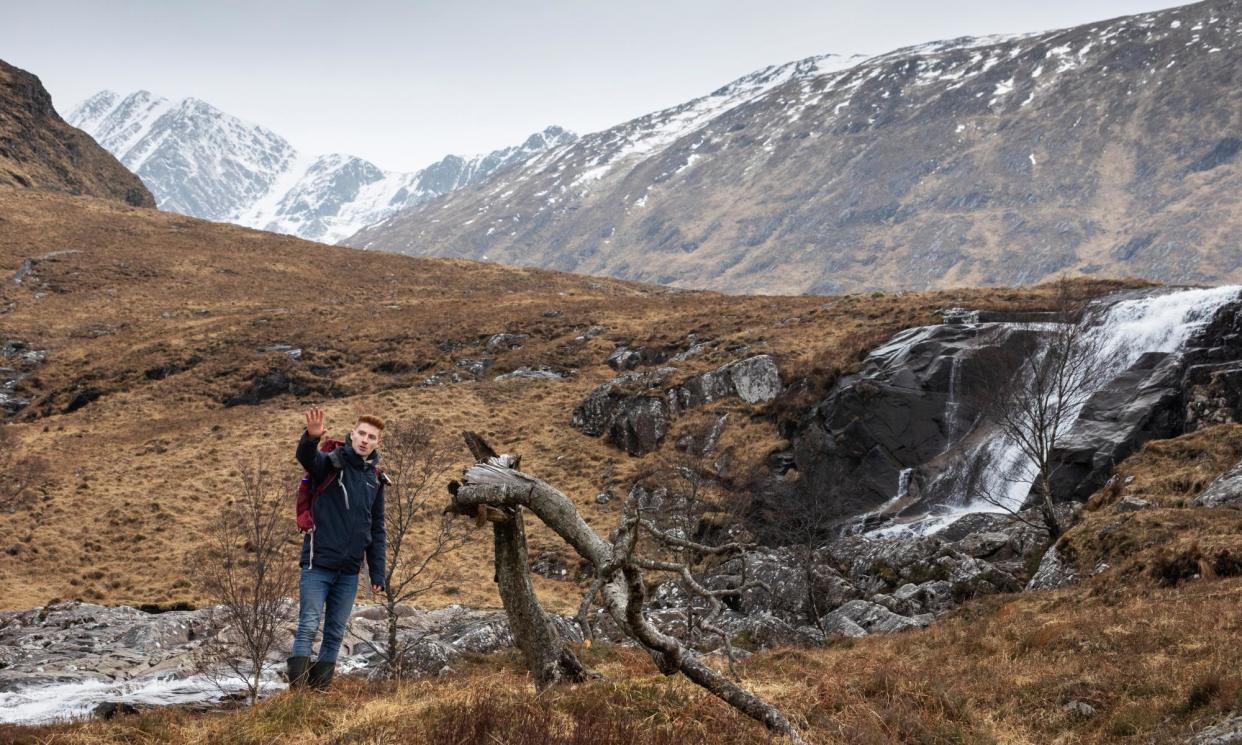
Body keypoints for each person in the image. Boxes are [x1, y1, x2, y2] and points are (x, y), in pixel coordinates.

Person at [287, 406, 386, 691]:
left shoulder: (375, 480)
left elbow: (377, 529)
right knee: (307, 626)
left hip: (348, 572)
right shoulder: (331, 463)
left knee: (334, 634)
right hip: (317, 565)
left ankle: (318, 694)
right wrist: (310, 438)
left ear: (378, 443)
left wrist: (377, 573)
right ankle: (297, 697)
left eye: (371, 437)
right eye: (362, 434)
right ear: (352, 434)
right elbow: (307, 458)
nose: (365, 440)